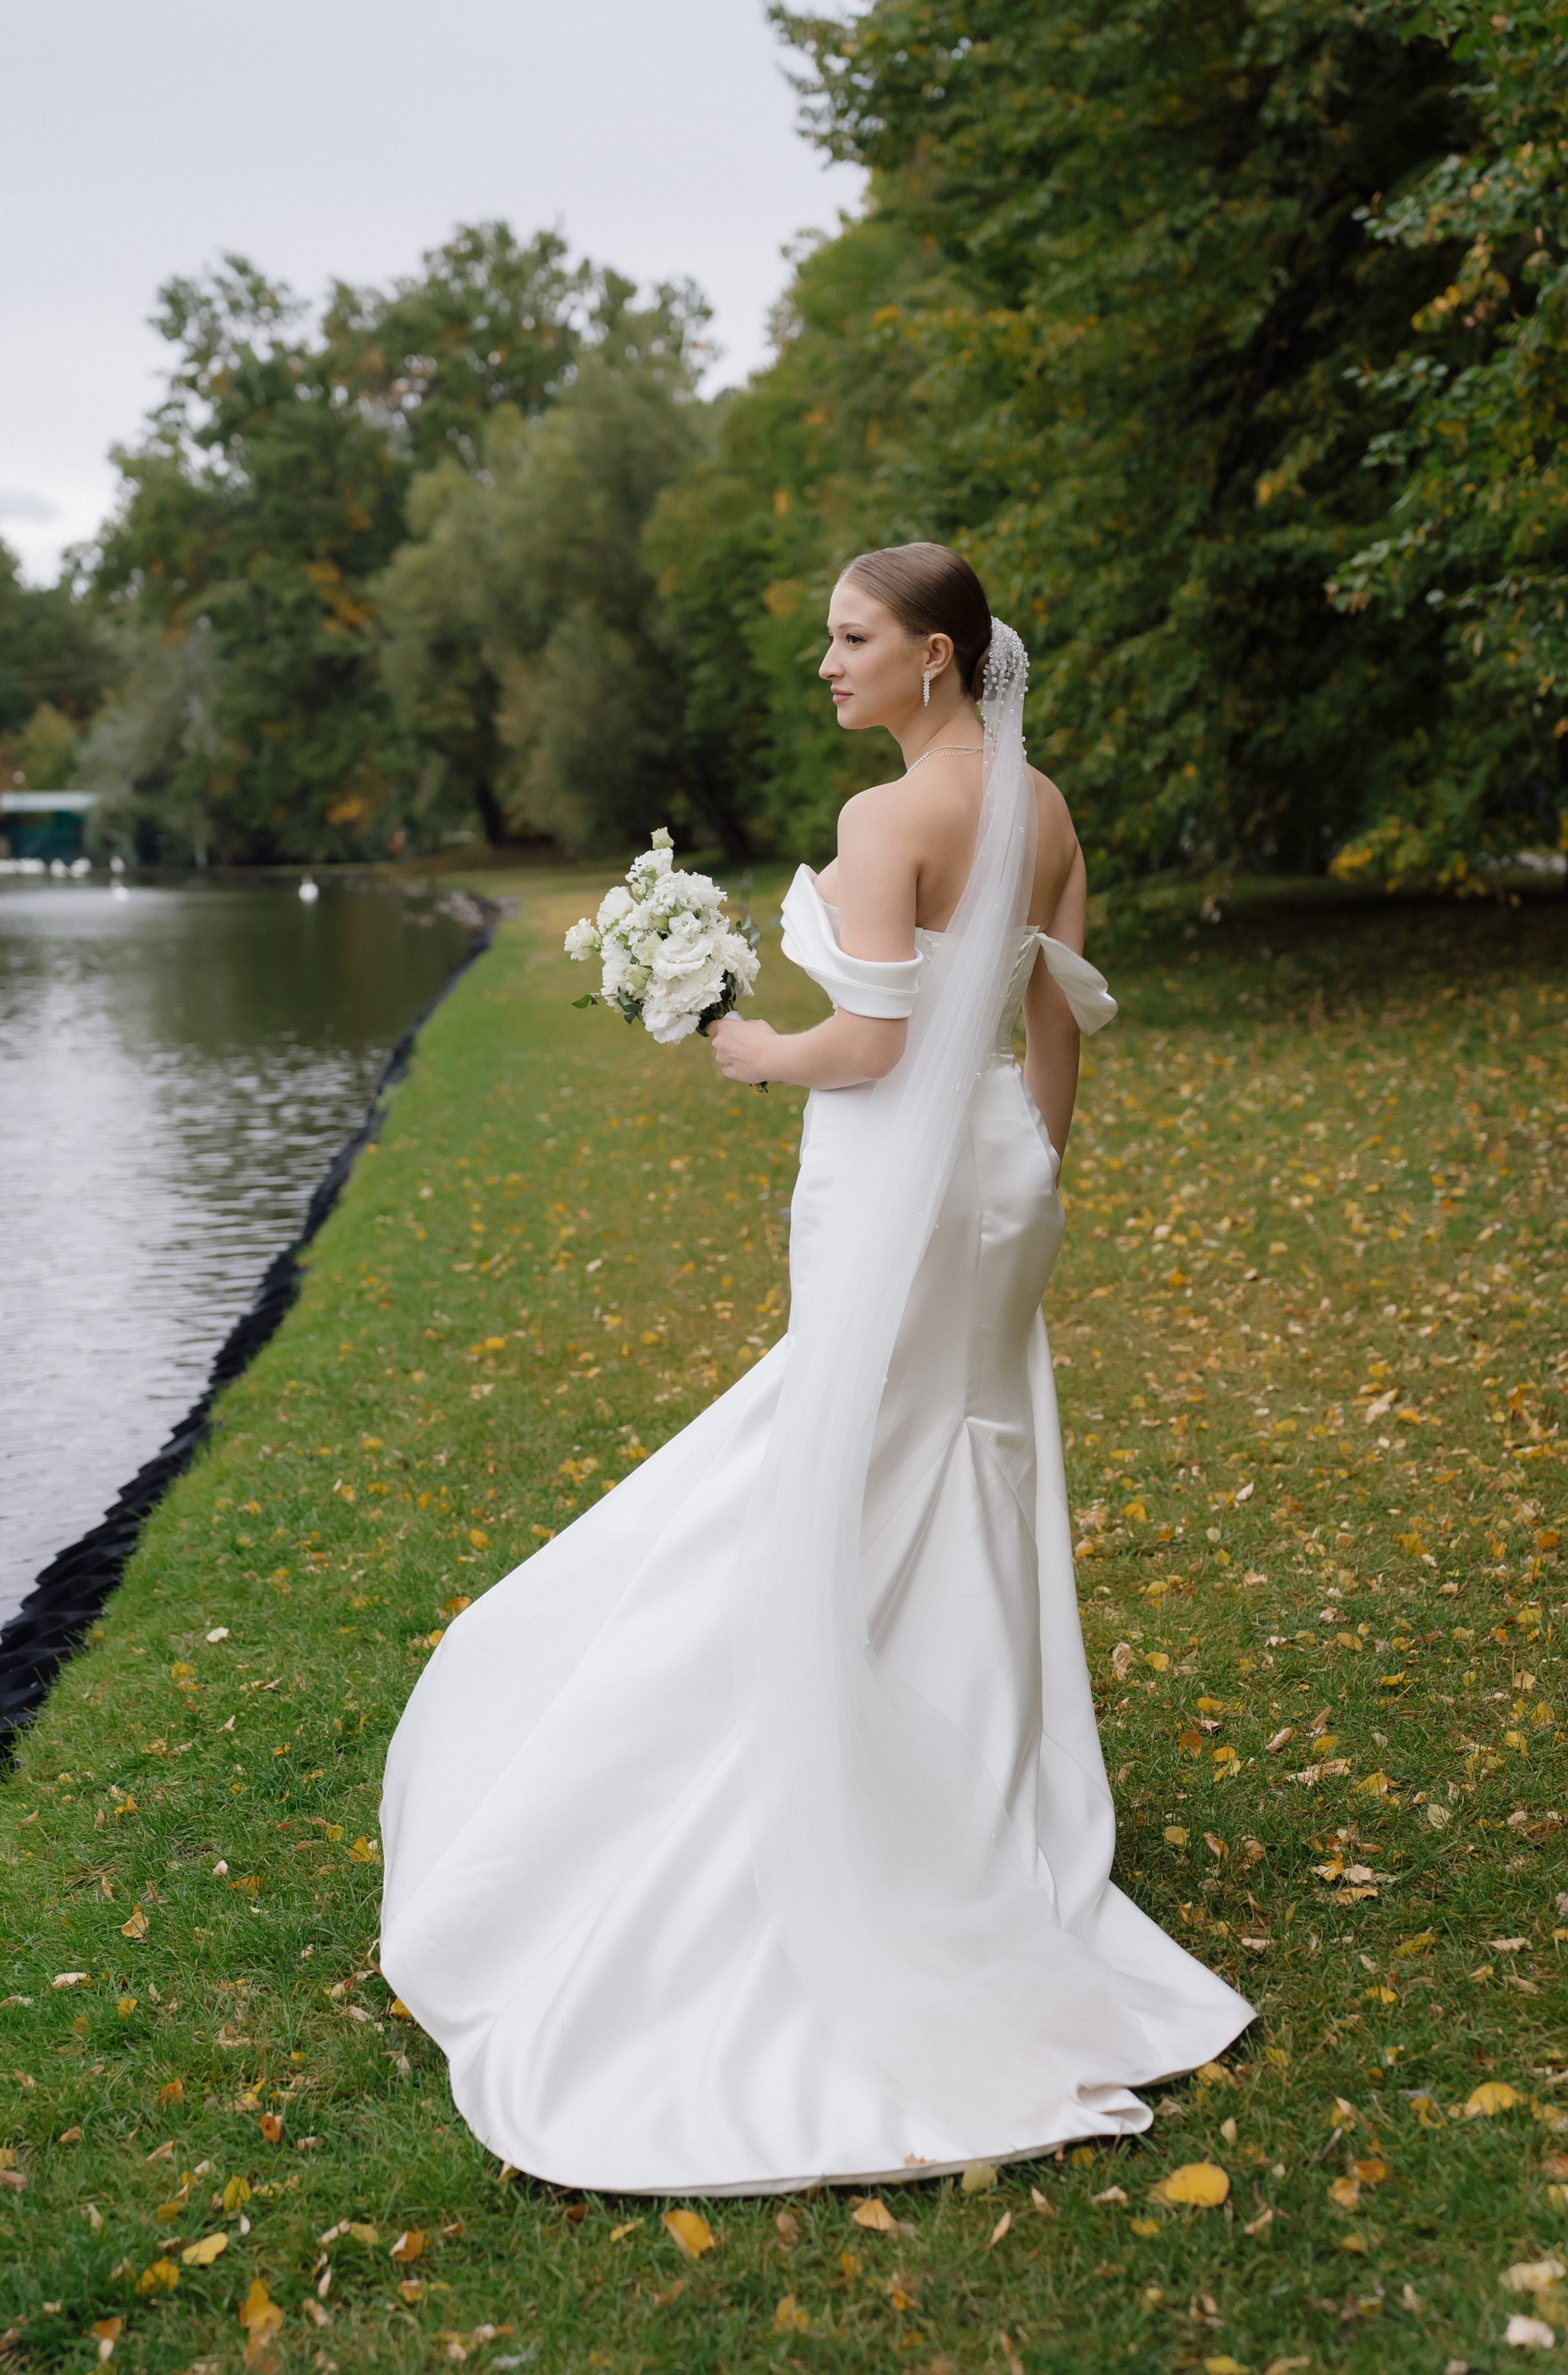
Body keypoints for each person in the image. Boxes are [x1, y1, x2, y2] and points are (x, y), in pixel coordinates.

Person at [379, 543, 1252, 2196]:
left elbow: (871, 1042)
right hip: (998, 1182)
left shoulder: (882, 822)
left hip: (887, 1183)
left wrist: (750, 1048)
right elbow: (1054, 1015)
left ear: (935, 658)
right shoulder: (1044, 804)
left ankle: (797, 1793)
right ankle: (980, 1811)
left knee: (835, 1466)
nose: (825, 665)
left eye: (851, 640)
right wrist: (1030, 1162)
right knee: (956, 1472)